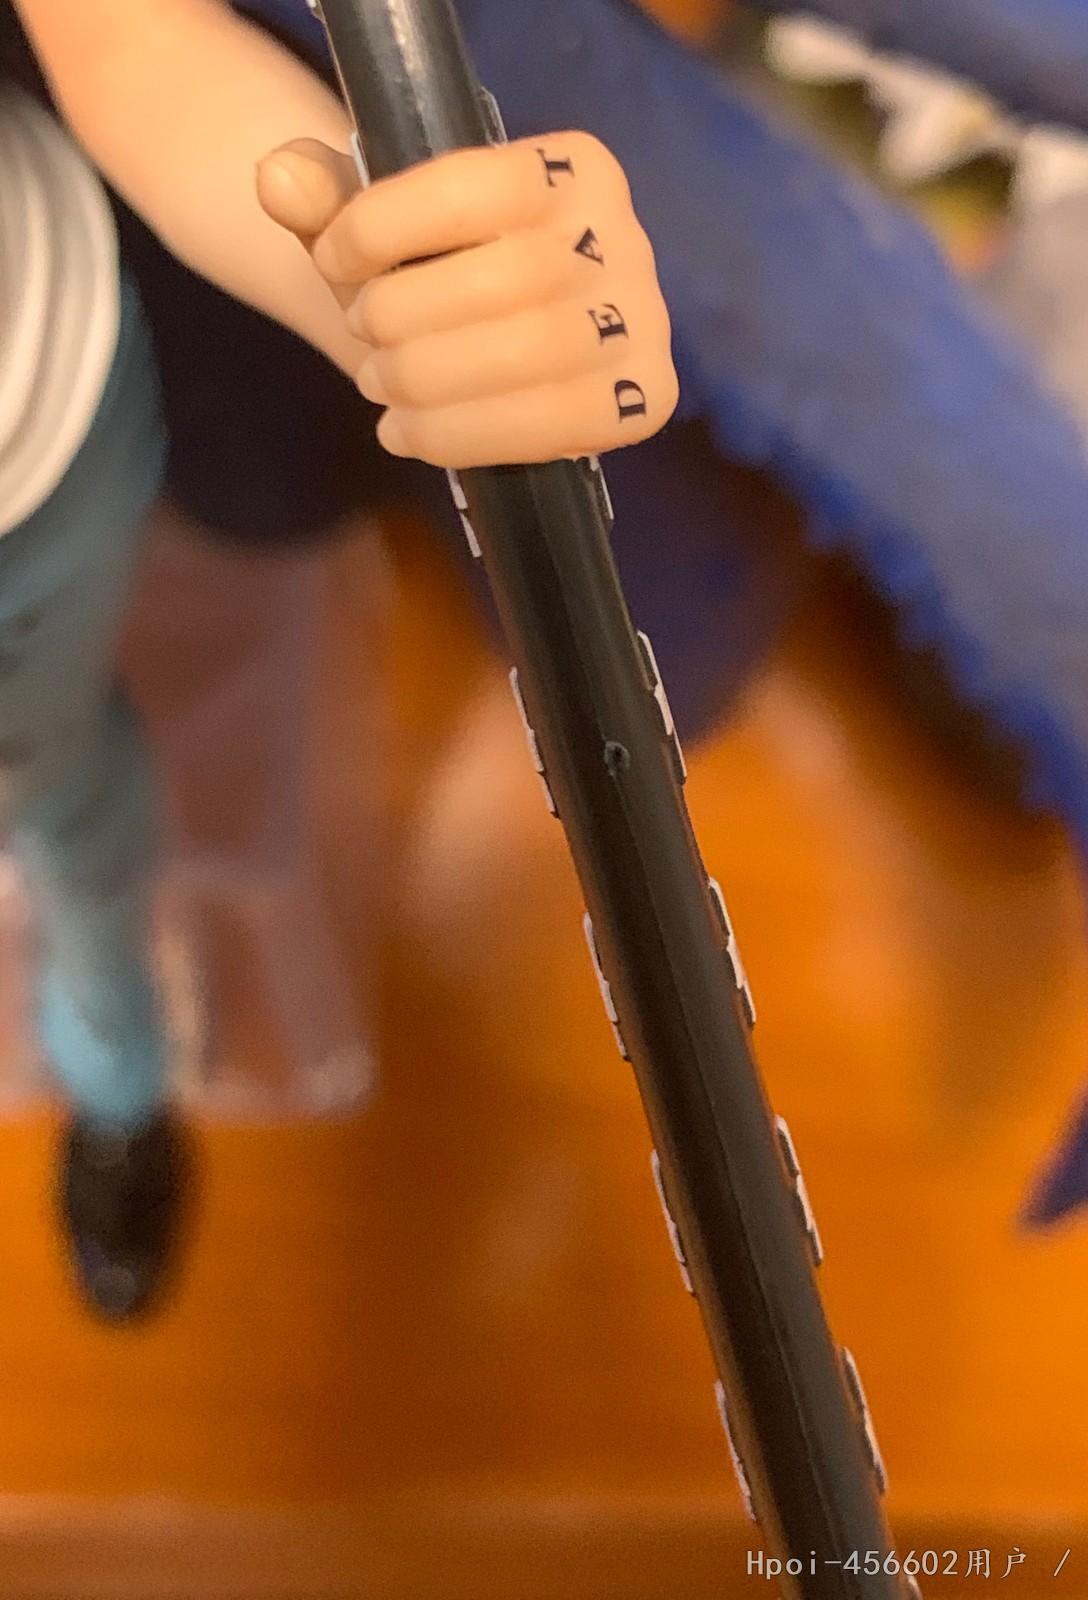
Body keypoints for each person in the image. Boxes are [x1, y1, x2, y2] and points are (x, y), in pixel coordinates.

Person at [3, 0, 678, 1322]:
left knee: (68, 798)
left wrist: (409, 284)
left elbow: (132, 44)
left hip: (33, 453)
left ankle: (119, 1074)